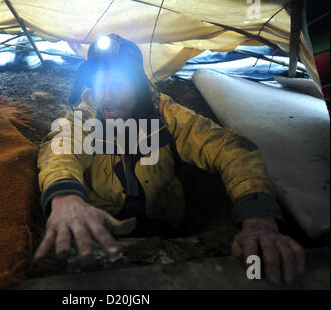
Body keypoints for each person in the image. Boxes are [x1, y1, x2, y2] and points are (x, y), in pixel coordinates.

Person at [34, 34, 305, 284]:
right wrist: (65, 198)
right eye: (100, 83)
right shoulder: (83, 119)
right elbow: (59, 151)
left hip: (166, 230)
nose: (107, 96)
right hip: (97, 232)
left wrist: (258, 220)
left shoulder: (166, 113)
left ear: (138, 84)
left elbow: (229, 149)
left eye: (118, 83)